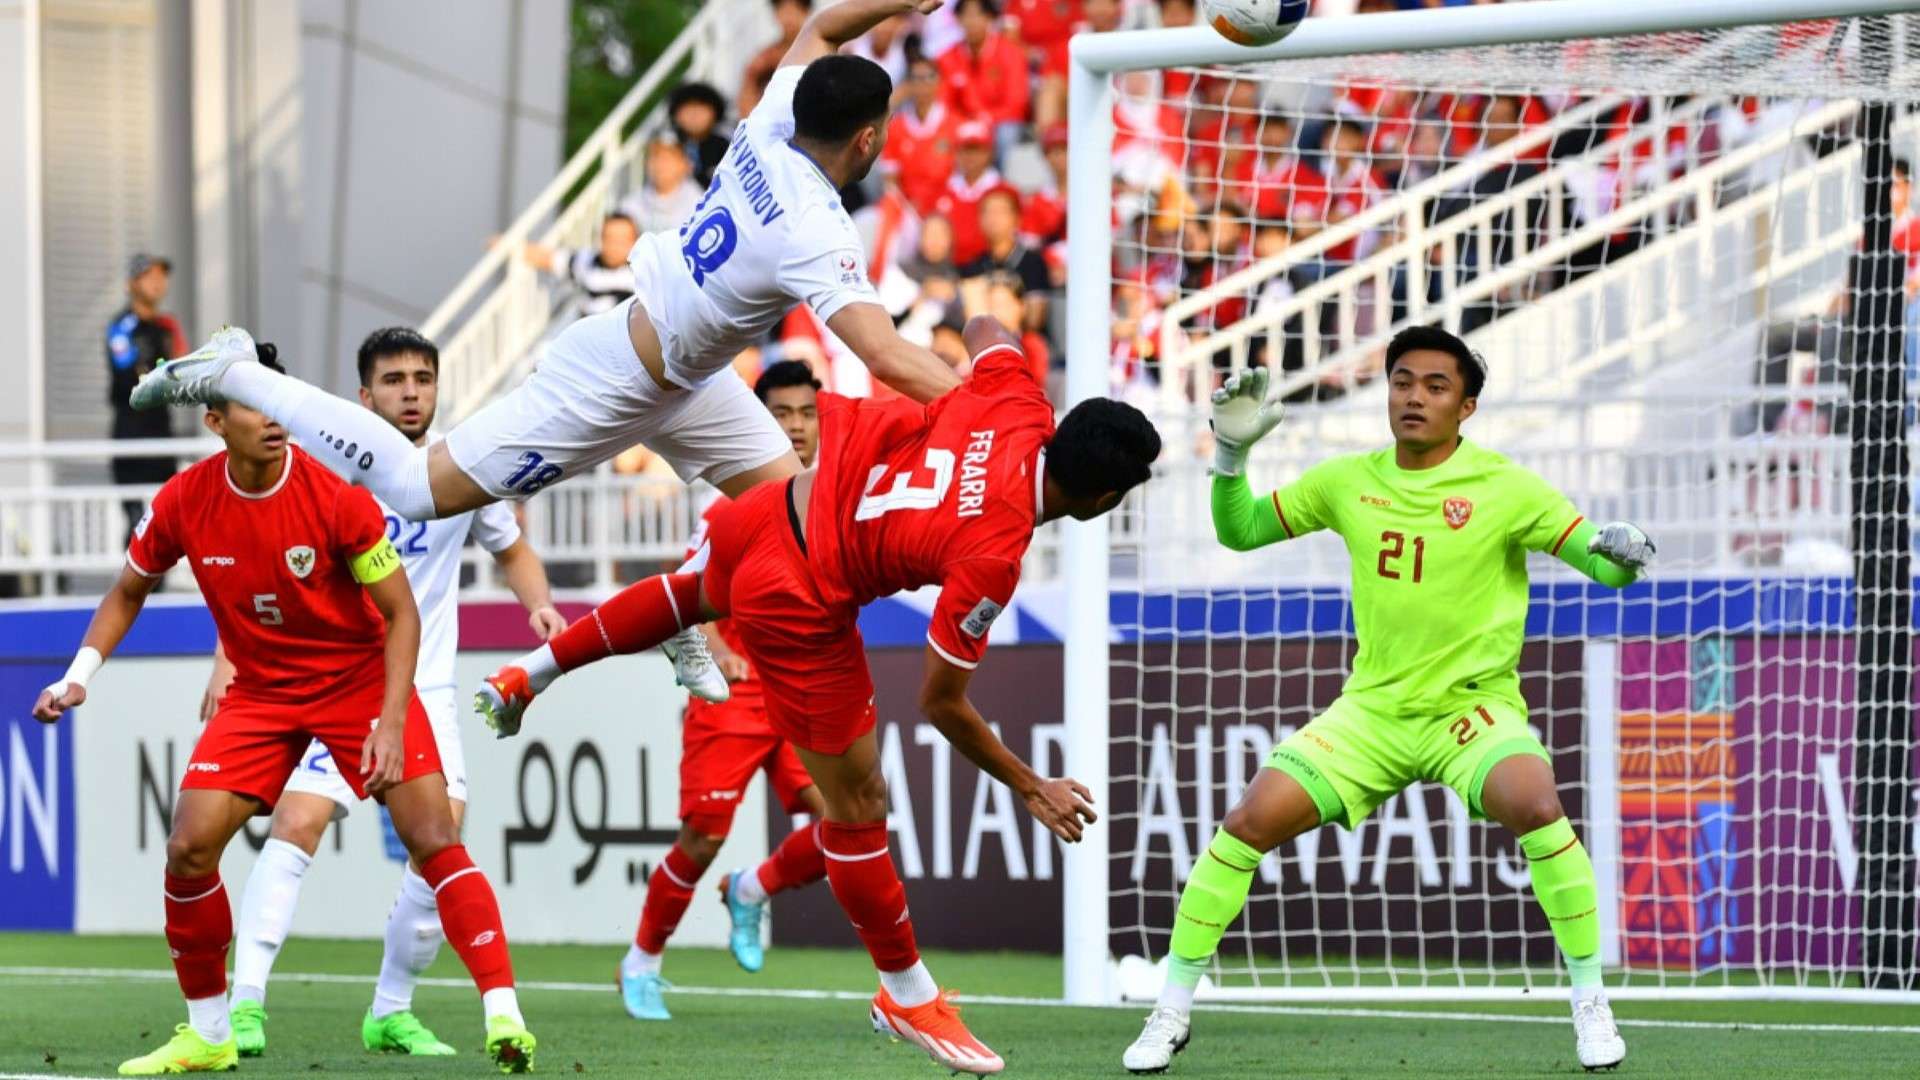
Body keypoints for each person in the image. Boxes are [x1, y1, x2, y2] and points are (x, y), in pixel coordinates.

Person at [133, 0, 962, 707]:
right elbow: (884, 353)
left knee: (797, 517)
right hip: (612, 380)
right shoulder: (817, 226)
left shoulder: (778, 120)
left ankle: (676, 612)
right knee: (416, 489)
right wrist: (989, 400)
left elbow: (822, 25)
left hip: (690, 378)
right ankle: (239, 370)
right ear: (867, 140)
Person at [477, 318, 1161, 1075]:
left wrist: (966, 410)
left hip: (776, 506)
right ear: (1103, 500)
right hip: (800, 598)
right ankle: (905, 993)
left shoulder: (1017, 401)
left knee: (693, 596)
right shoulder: (994, 553)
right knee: (859, 806)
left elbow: (987, 326)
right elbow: (941, 702)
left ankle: (530, 672)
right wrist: (1031, 786)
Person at [1120, 327, 1648, 1075]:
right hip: (1371, 714)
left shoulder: (1507, 487)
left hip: (1471, 710)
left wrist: (1624, 552)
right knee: (1246, 823)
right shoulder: (1348, 480)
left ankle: (1590, 1002)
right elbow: (1239, 531)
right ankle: (1170, 1010)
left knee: (1535, 803)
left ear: (1466, 407)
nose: (1414, 397)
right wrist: (1231, 457)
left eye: (1436, 386)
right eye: (1402, 382)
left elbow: (1604, 564)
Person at [32, 348, 536, 1076]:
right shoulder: (183, 501)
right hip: (262, 693)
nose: (274, 418)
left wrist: (391, 720)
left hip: (358, 685)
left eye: (278, 400)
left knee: (434, 837)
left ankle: (503, 1015)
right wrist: (79, 675)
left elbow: (401, 614)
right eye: (253, 403)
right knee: (189, 846)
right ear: (215, 421)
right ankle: (212, 1031)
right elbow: (128, 589)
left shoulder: (335, 498)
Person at [216, 328, 565, 1059]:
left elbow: (512, 549)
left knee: (438, 848)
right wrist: (226, 661)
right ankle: (244, 1004)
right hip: (335, 684)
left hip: (424, 688)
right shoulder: (321, 469)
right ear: (363, 396)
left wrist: (539, 605)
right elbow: (261, 572)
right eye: (394, 380)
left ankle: (391, 1009)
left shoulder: (460, 471)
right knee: (296, 823)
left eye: (423, 379)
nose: (411, 393)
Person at [620, 360, 832, 1022]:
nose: (796, 426)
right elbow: (688, 587)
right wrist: (715, 647)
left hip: (801, 691)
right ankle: (642, 962)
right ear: (759, 419)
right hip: (736, 693)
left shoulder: (835, 499)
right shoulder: (728, 504)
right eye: (781, 413)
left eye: (807, 413)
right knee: (703, 837)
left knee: (847, 824)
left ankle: (752, 888)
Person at [107, 253, 188, 540]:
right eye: (149, 276)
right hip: (130, 429)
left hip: (162, 429)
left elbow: (182, 369)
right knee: (135, 522)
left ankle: (161, 571)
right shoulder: (121, 326)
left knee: (167, 520)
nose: (158, 282)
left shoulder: (168, 325)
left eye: (161, 276)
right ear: (132, 284)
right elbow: (130, 376)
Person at [519, 212, 640, 317]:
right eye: (608, 238)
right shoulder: (586, 261)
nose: (614, 246)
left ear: (635, 242)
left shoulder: (642, 276)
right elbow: (547, 258)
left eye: (621, 240)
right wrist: (515, 249)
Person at [739, 0, 814, 115]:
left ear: (806, 12)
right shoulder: (764, 59)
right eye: (783, 11)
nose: (789, 18)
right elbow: (746, 99)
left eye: (794, 11)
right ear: (776, 14)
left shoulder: (822, 52)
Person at [619, 137, 703, 235]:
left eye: (668, 158)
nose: (660, 164)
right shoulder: (631, 203)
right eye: (655, 157)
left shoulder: (699, 203)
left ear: (684, 164)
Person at [667, 81, 732, 187]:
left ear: (715, 113)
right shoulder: (668, 148)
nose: (694, 115)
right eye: (688, 109)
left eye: (701, 108)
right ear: (676, 115)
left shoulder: (727, 145)